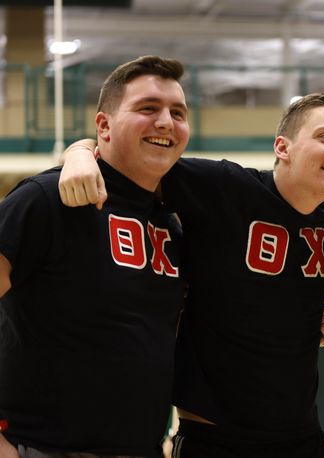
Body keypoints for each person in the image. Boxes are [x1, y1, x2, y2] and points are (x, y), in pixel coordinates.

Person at [58, 93, 324, 457]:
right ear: (282, 147)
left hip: (302, 435)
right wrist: (78, 150)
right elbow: (126, 159)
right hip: (217, 440)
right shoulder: (224, 186)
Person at [0, 55, 189, 457]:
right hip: (41, 447)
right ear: (103, 125)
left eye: (178, 112)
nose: (166, 122)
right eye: (148, 108)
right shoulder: (45, 199)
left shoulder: (170, 225)